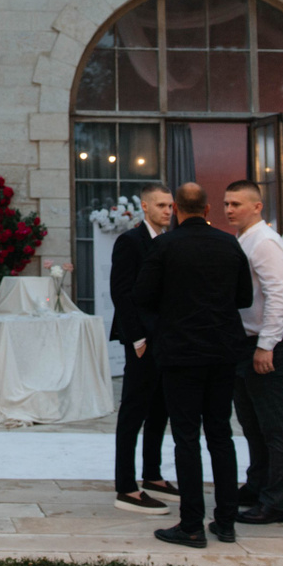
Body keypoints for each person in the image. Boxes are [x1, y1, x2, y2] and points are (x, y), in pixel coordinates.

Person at [135, 183, 253, 548]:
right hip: (222, 350)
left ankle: (191, 524)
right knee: (221, 434)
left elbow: (143, 296)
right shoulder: (229, 244)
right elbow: (244, 297)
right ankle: (226, 521)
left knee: (186, 437)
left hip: (181, 352)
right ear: (207, 209)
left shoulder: (164, 246)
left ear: (177, 210)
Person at [223, 181, 283, 526]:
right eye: (226, 203)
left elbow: (278, 296)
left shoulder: (265, 242)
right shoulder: (245, 239)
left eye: (236, 204)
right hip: (245, 344)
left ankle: (275, 502)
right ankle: (257, 485)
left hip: (265, 345)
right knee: (252, 425)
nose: (229, 209)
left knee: (274, 428)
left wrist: (267, 345)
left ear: (257, 206)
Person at [109, 183, 177, 514]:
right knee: (133, 411)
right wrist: (136, 339)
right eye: (161, 205)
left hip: (164, 339)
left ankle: (152, 474)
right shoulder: (130, 241)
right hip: (141, 341)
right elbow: (121, 293)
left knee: (160, 408)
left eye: (170, 206)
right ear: (145, 207)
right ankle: (126, 486)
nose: (168, 211)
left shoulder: (168, 241)